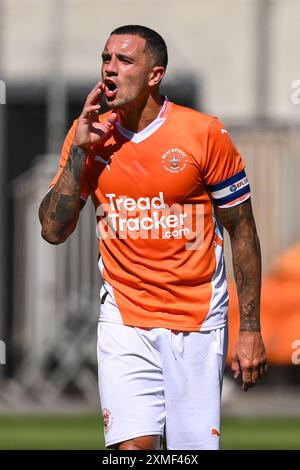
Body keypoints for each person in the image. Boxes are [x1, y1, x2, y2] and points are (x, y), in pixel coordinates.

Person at [38, 25, 267, 450]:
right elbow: (52, 230)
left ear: (154, 75)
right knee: (130, 451)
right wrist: (79, 153)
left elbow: (243, 230)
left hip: (196, 320)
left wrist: (250, 328)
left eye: (124, 61)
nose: (109, 69)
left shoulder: (204, 134)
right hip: (124, 318)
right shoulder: (88, 134)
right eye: (105, 59)